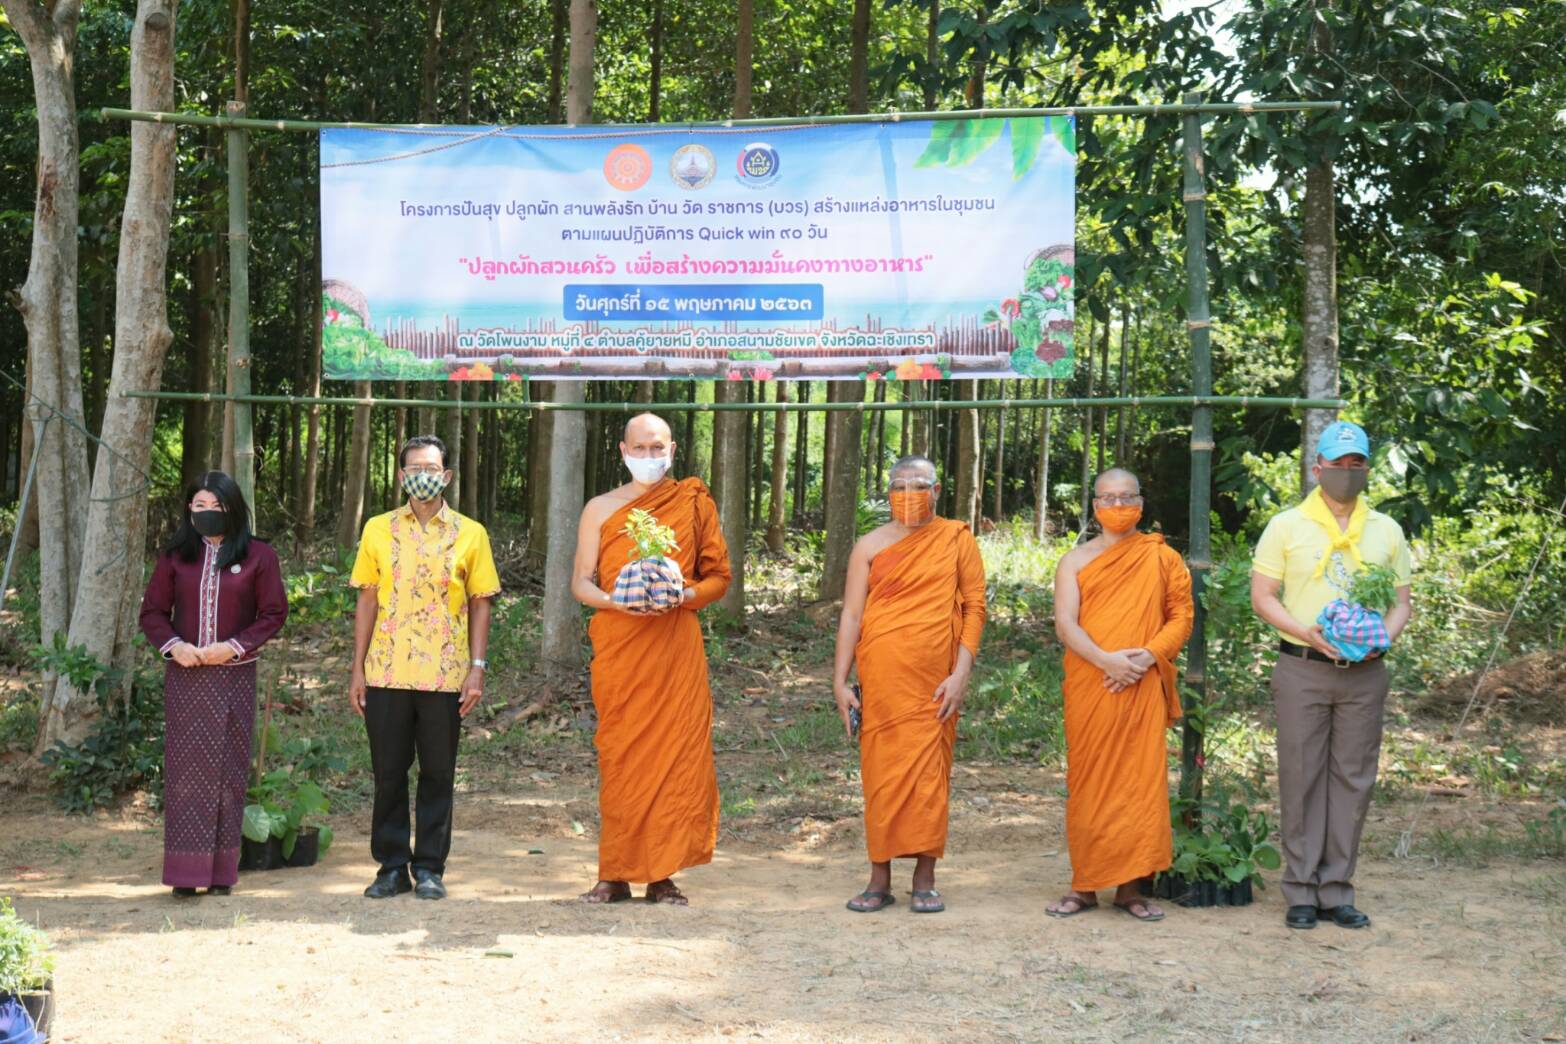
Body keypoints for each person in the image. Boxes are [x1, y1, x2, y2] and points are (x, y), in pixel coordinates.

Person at [1250, 421, 1412, 930]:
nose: (1346, 473)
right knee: (1301, 776)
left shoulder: (1387, 530)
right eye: (1337, 465)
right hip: (1303, 667)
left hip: (1365, 673)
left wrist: (1380, 638)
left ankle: (1337, 889)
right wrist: (1306, 631)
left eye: (1355, 464)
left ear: (1366, 468)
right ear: (1316, 467)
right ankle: (1300, 889)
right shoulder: (1286, 525)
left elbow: (1402, 603)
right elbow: (1263, 597)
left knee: (1353, 779)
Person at [572, 413, 732, 905]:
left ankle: (662, 875)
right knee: (622, 756)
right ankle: (614, 873)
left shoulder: (691, 502)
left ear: (673, 448)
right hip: (621, 644)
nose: (648, 456)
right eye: (639, 448)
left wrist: (683, 595)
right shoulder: (600, 508)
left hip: (673, 646)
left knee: (674, 756)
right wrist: (618, 601)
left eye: (656, 447)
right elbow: (581, 583)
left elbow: (718, 577)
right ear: (622, 451)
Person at [832, 454, 986, 914]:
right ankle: (879, 878)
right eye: (899, 486)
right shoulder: (870, 545)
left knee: (928, 779)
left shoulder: (957, 540)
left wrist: (961, 674)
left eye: (918, 486)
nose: (908, 495)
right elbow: (852, 614)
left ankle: (925, 877)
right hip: (881, 680)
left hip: (935, 682)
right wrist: (839, 680)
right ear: (887, 493)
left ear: (936, 491)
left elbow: (975, 608)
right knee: (880, 777)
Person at [349, 435, 500, 900]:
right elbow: (367, 598)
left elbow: (480, 603)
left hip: (445, 674)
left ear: (447, 476)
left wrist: (476, 667)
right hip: (387, 671)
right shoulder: (377, 528)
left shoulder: (470, 533)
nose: (423, 474)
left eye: (431, 467)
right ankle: (391, 867)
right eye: (414, 467)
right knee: (388, 772)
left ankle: (431, 867)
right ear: (400, 475)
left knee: (438, 772)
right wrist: (357, 669)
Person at [1046, 468, 1193, 922]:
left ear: (1141, 503)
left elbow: (1181, 616)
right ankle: (1084, 885)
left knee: (1138, 784)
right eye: (1107, 499)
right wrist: (1107, 660)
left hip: (1143, 683)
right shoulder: (1074, 561)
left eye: (1125, 497)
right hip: (1094, 682)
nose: (1116, 506)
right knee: (1090, 782)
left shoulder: (1162, 557)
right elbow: (1066, 623)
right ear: (1094, 506)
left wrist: (1147, 657)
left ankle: (1131, 888)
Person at [140, 471, 288, 898]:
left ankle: (222, 872)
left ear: (233, 508)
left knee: (228, 770)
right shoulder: (175, 557)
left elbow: (273, 613)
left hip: (235, 675)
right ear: (189, 510)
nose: (207, 513)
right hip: (186, 676)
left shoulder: (259, 555)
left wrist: (234, 647)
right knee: (187, 773)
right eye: (199, 506)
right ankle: (185, 875)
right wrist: (175, 647)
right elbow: (152, 612)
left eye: (216, 506)